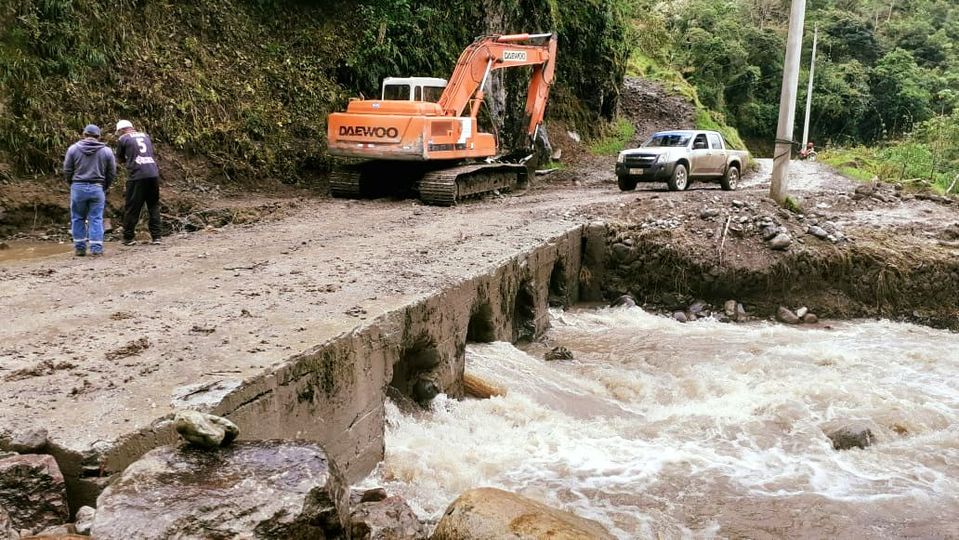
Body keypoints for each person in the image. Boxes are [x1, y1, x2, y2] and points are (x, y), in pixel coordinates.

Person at [63, 124, 116, 257]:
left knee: (77, 218)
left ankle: (80, 248)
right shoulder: (106, 151)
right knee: (96, 218)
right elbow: (112, 172)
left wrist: (72, 183)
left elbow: (67, 170)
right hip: (97, 187)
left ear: (84, 134)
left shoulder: (73, 149)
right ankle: (96, 248)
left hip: (78, 187)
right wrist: (104, 186)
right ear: (98, 136)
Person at [115, 120, 162, 245]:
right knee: (153, 205)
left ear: (121, 130)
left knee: (132, 208)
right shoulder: (145, 136)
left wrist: (128, 161)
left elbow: (119, 159)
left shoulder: (123, 139)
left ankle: (128, 238)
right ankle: (157, 237)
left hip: (137, 175)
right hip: (153, 174)